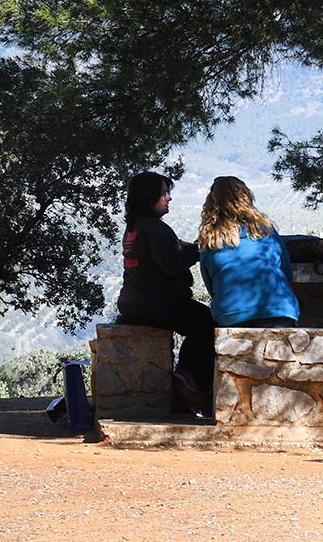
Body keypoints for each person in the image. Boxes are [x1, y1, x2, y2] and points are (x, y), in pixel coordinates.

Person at [115, 171, 214, 416]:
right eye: (164, 193)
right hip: (158, 304)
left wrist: (186, 247)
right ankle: (188, 378)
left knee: (198, 321)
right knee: (208, 322)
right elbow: (172, 263)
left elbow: (165, 251)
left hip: (133, 304)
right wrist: (199, 251)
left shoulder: (136, 227)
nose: (168, 199)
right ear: (150, 198)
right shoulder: (156, 228)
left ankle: (184, 388)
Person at [199, 176, 300, 328]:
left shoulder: (210, 238)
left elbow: (210, 282)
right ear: (246, 198)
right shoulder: (265, 230)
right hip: (280, 311)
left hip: (230, 314)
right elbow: (285, 271)